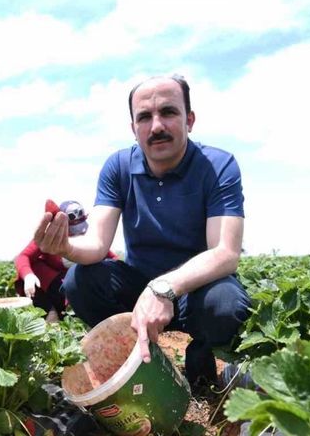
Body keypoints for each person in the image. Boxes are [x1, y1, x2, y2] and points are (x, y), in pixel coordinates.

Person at [33, 75, 251, 387]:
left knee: (226, 305)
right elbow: (96, 244)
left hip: (195, 289)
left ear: (189, 120)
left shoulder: (218, 165)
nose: (156, 126)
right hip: (138, 289)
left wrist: (164, 287)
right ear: (133, 128)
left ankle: (201, 352)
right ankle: (134, 357)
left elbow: (225, 253)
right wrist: (65, 247)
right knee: (80, 281)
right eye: (145, 117)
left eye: (169, 112)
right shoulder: (118, 167)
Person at [15, 200, 117, 322]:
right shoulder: (51, 236)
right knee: (35, 271)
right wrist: (28, 276)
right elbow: (23, 257)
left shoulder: (90, 238)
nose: (78, 233)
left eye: (81, 229)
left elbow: (112, 258)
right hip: (54, 286)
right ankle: (49, 313)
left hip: (79, 284)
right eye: (73, 230)